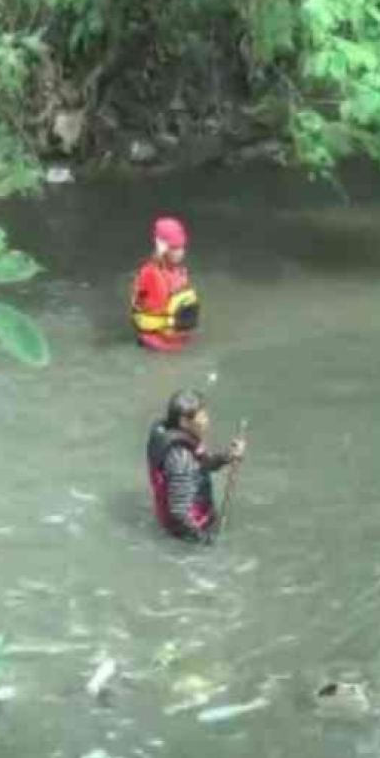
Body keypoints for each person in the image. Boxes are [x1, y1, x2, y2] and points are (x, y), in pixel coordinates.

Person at [146, 389, 245, 543]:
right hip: (188, 533)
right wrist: (204, 540)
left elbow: (202, 463)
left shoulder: (168, 435)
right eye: (202, 416)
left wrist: (228, 456)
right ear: (184, 421)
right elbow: (179, 512)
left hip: (175, 523)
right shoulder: (182, 460)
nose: (207, 420)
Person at [130, 216, 200, 351]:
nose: (180, 252)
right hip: (156, 344)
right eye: (174, 248)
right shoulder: (151, 274)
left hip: (179, 341)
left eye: (181, 247)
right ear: (162, 248)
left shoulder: (179, 271)